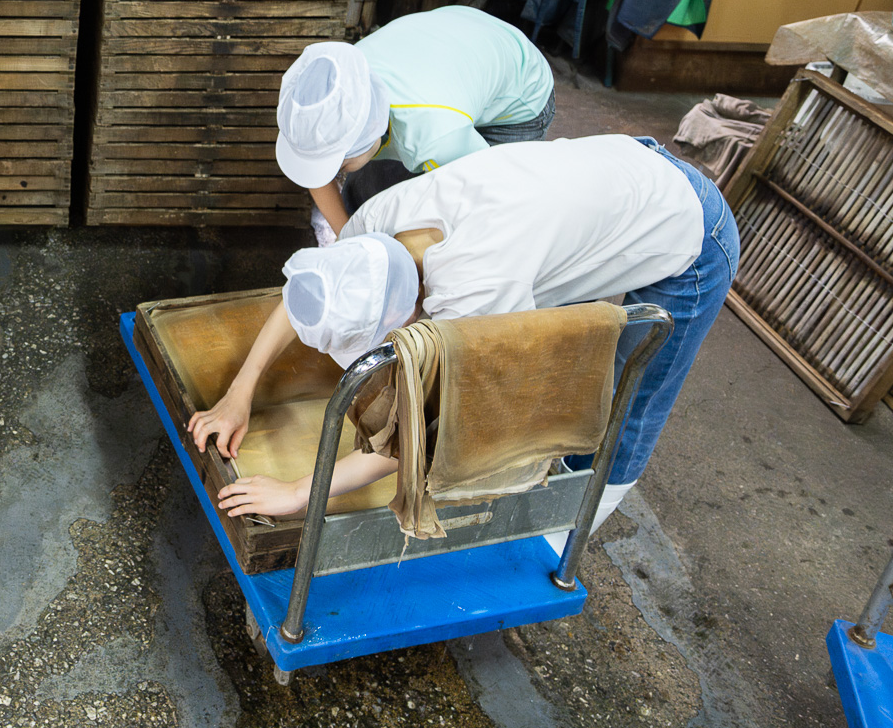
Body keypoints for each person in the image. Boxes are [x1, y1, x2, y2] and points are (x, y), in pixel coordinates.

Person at [188, 134, 738, 539]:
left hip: (689, 228)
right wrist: (240, 392)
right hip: (615, 172)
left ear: (409, 315)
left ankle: (557, 539)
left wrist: (297, 492)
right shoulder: (376, 224)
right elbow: (311, 291)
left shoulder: (477, 293)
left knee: (628, 405)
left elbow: (431, 431)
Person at [275, 5, 557, 240]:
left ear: (370, 132)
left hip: (519, 91)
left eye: (339, 165)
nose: (333, 172)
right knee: (368, 194)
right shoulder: (338, 84)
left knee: (462, 222)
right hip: (454, 43)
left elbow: (481, 203)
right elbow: (317, 173)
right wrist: (348, 240)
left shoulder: (437, 136)